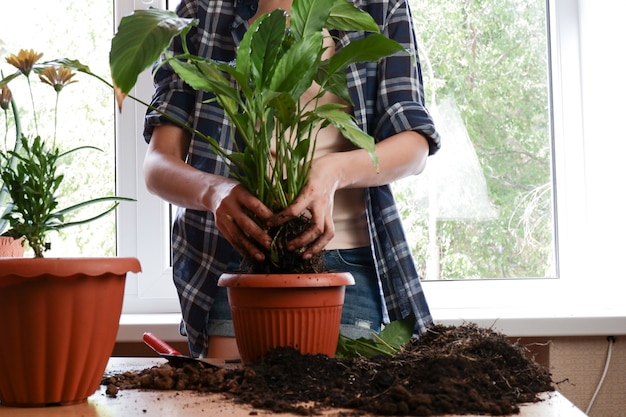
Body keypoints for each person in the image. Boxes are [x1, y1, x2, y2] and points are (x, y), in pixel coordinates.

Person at [143, 0, 441, 358]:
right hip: (237, 256)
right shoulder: (204, 8)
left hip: (342, 259)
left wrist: (334, 171)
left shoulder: (379, 5)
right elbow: (158, 165)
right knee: (229, 403)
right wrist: (214, 191)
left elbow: (414, 144)